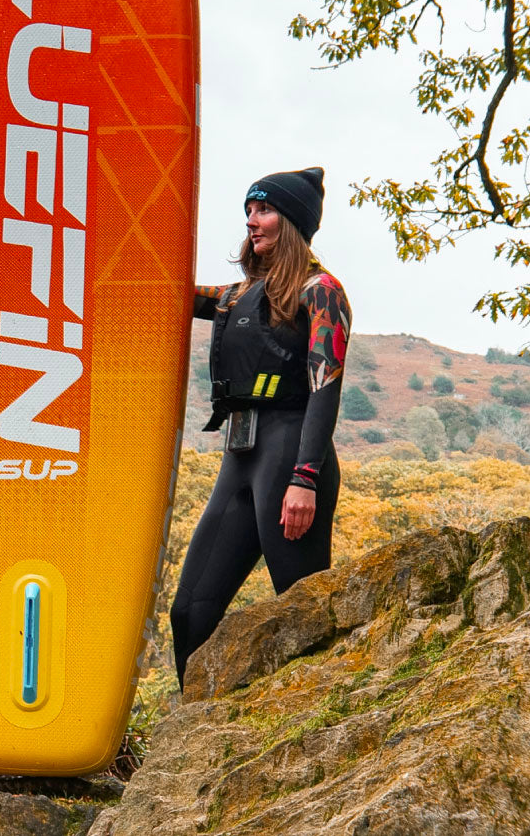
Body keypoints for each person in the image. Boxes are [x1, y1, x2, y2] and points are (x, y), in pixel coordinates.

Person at [170, 166, 351, 689]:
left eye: (264, 209)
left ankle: (318, 729)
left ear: (292, 221)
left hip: (292, 457)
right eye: (249, 211)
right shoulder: (238, 296)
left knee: (304, 615)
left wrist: (305, 479)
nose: (253, 220)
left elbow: (325, 388)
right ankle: (197, 734)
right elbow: (171, 291)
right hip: (241, 457)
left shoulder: (322, 292)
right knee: (190, 613)